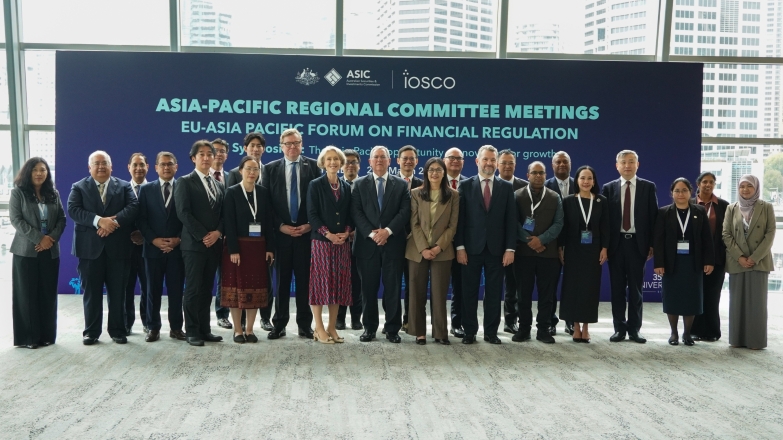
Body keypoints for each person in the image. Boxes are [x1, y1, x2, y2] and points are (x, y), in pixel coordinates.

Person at [68, 150, 139, 345]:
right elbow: (74, 210)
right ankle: (91, 332)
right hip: (89, 250)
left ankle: (117, 330)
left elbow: (133, 207)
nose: (101, 167)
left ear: (111, 167)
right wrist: (99, 221)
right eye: (96, 163)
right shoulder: (79, 187)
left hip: (118, 249)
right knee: (91, 293)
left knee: (118, 292)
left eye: (104, 163)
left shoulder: (124, 186)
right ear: (89, 167)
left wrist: (112, 223)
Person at [455, 145, 516, 345]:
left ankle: (491, 332)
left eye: (492, 160)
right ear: (477, 161)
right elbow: (460, 220)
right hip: (470, 249)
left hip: (497, 250)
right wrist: (460, 247)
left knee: (494, 293)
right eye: (485, 159)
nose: (489, 163)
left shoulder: (506, 187)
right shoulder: (465, 185)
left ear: (496, 163)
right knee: (469, 292)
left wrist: (510, 249)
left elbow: (511, 220)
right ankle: (469, 331)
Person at [262, 128, 319, 340]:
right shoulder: (270, 169)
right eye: (288, 143)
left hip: (306, 234)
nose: (292, 147)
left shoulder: (314, 166)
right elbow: (267, 205)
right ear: (281, 146)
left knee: (305, 282)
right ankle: (279, 324)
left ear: (302, 144)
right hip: (281, 236)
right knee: (282, 283)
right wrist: (280, 226)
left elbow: (319, 201)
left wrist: (310, 225)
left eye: (296, 143)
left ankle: (305, 325)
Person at [351, 145, 411, 343]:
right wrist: (372, 234)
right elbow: (356, 212)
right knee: (368, 290)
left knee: (393, 289)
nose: (379, 160)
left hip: (393, 244)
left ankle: (392, 329)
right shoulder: (358, 184)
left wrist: (387, 231)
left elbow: (404, 212)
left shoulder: (401, 185)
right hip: (366, 246)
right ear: (369, 162)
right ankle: (369, 328)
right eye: (375, 157)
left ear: (389, 161)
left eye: (382, 157)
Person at [601, 150, 658, 343]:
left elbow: (653, 218)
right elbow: (604, 221)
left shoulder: (648, 187)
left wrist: (652, 244)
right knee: (617, 289)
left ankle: (635, 329)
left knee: (636, 289)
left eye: (631, 162)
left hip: (637, 244)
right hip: (616, 245)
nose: (627, 165)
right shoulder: (609, 188)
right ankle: (619, 328)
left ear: (637, 165)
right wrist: (605, 246)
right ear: (617, 166)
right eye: (623, 162)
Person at [10, 158, 66, 349]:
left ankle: (46, 336)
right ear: (28, 172)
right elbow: (16, 219)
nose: (39, 173)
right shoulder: (18, 193)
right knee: (26, 295)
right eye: (35, 170)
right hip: (26, 251)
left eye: (43, 170)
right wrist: (39, 238)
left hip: (50, 250)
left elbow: (62, 219)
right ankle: (29, 338)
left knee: (47, 294)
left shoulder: (53, 193)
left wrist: (50, 238)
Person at [175, 140, 225, 347]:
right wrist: (204, 235)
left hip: (214, 245)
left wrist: (218, 233)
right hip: (194, 245)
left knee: (207, 289)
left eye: (209, 154)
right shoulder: (184, 182)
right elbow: (183, 212)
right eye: (201, 154)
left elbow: (223, 214)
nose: (206, 158)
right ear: (193, 158)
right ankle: (192, 331)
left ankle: (205, 329)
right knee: (193, 289)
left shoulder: (218, 184)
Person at [653, 178, 715, 346]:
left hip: (693, 264)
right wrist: (659, 263)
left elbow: (707, 238)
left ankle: (687, 334)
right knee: (672, 298)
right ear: (672, 193)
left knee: (691, 298)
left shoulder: (699, 211)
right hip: (671, 264)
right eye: (677, 191)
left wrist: (709, 260)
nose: (681, 194)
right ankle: (674, 333)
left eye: (684, 190)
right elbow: (658, 240)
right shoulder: (664, 212)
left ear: (691, 192)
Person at [405, 158, 459, 346]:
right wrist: (424, 248)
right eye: (431, 170)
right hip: (417, 250)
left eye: (438, 170)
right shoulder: (416, 193)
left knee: (439, 293)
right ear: (426, 173)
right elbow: (413, 223)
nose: (434, 173)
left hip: (442, 251)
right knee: (416, 293)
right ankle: (419, 332)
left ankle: (440, 332)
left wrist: (437, 247)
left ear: (444, 173)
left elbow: (452, 226)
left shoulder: (453, 195)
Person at [222, 156, 275, 343]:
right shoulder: (232, 192)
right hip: (237, 248)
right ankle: (238, 330)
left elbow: (269, 222)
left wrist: (269, 248)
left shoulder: (263, 192)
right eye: (248, 169)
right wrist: (233, 250)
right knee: (236, 290)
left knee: (256, 288)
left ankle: (250, 329)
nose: (252, 172)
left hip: (258, 248)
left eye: (255, 169)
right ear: (240, 171)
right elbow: (228, 222)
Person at [512, 161, 563, 344]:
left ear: (546, 175)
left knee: (547, 295)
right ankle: (524, 329)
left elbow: (559, 223)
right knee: (523, 295)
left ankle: (544, 329)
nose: (538, 176)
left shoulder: (554, 196)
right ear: (528, 175)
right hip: (523, 254)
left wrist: (541, 240)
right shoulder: (517, 195)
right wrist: (530, 241)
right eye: (534, 173)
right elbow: (514, 222)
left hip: (548, 254)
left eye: (541, 173)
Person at [722, 174, 775, 350]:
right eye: (742, 186)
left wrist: (754, 258)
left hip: (759, 262)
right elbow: (726, 234)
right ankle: (737, 339)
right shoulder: (731, 208)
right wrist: (740, 257)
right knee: (737, 303)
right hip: (737, 262)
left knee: (757, 304)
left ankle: (756, 341)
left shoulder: (766, 207)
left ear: (756, 188)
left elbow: (770, 234)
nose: (745, 189)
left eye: (749, 186)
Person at [137, 151, 186, 342]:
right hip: (152, 250)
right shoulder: (146, 190)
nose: (166, 167)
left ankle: (176, 328)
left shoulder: (184, 187)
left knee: (176, 291)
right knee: (152, 291)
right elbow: (141, 219)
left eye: (170, 164)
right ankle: (153, 327)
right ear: (156, 168)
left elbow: (188, 216)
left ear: (176, 167)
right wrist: (153, 240)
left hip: (177, 250)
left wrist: (178, 239)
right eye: (163, 164)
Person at [307, 146, 354, 344]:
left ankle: (331, 327)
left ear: (341, 162)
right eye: (329, 159)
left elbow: (350, 214)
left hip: (341, 243)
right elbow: (312, 214)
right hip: (322, 243)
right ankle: (318, 328)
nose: (333, 162)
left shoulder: (346, 186)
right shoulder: (315, 185)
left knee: (338, 286)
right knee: (320, 285)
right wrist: (328, 234)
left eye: (336, 159)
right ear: (323, 163)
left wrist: (347, 232)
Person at [558, 165, 608, 343]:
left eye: (589, 178)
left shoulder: (601, 201)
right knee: (572, 287)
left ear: (594, 181)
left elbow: (605, 226)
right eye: (582, 178)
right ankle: (575, 326)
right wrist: (560, 247)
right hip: (573, 250)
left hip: (594, 251)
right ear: (577, 181)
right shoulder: (568, 201)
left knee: (590, 288)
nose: (586, 182)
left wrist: (605, 248)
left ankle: (586, 327)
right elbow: (563, 227)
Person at [691, 172, 729, 342]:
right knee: (696, 296)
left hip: (717, 259)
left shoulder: (724, 205)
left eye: (711, 182)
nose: (708, 185)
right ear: (698, 184)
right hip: (694, 259)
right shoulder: (690, 203)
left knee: (712, 297)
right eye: (705, 182)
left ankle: (712, 332)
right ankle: (695, 331)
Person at [545, 151, 576, 336]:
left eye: (565, 161)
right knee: (550, 286)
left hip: (575, 244)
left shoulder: (580, 184)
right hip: (551, 244)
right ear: (553, 165)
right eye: (558, 162)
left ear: (570, 164)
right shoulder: (545, 186)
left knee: (573, 285)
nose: (562, 164)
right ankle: (550, 321)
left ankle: (571, 320)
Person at [497, 149, 528, 335]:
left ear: (515, 165)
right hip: (493, 243)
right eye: (504, 162)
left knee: (513, 286)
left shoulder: (525, 186)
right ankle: (491, 323)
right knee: (493, 286)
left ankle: (510, 321)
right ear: (497, 164)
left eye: (511, 163)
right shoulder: (491, 184)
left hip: (517, 244)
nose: (507, 166)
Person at [336, 149, 363, 330]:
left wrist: (357, 232)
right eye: (347, 162)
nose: (350, 165)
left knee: (357, 281)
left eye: (354, 162)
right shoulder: (335, 185)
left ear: (359, 165)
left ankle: (356, 318)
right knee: (341, 280)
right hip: (340, 241)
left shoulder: (365, 185)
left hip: (361, 241)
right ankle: (339, 317)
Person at [397, 145, 423, 332]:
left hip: (415, 242)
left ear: (417, 161)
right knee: (392, 283)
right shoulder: (389, 182)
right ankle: (392, 320)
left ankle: (409, 320)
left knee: (413, 284)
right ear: (398, 161)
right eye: (404, 158)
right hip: (393, 239)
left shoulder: (423, 185)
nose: (408, 161)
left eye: (411, 158)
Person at [443, 147, 468, 339]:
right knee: (436, 287)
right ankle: (434, 326)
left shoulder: (469, 184)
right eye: (451, 158)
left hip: (462, 245)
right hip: (438, 244)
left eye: (459, 158)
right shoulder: (434, 181)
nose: (455, 161)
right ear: (444, 161)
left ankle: (457, 323)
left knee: (459, 286)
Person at [125, 152, 149, 335]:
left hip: (149, 247)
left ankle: (148, 322)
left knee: (148, 288)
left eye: (142, 165)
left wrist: (145, 235)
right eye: (135, 165)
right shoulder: (121, 190)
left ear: (147, 167)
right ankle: (126, 323)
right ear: (129, 168)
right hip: (126, 248)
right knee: (126, 288)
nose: (138, 168)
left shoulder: (155, 189)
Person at [210, 138, 231, 330]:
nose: (219, 154)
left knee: (224, 278)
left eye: (222, 151)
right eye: (215, 150)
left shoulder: (232, 177)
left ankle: (222, 314)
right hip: (205, 237)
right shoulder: (199, 177)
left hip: (227, 237)